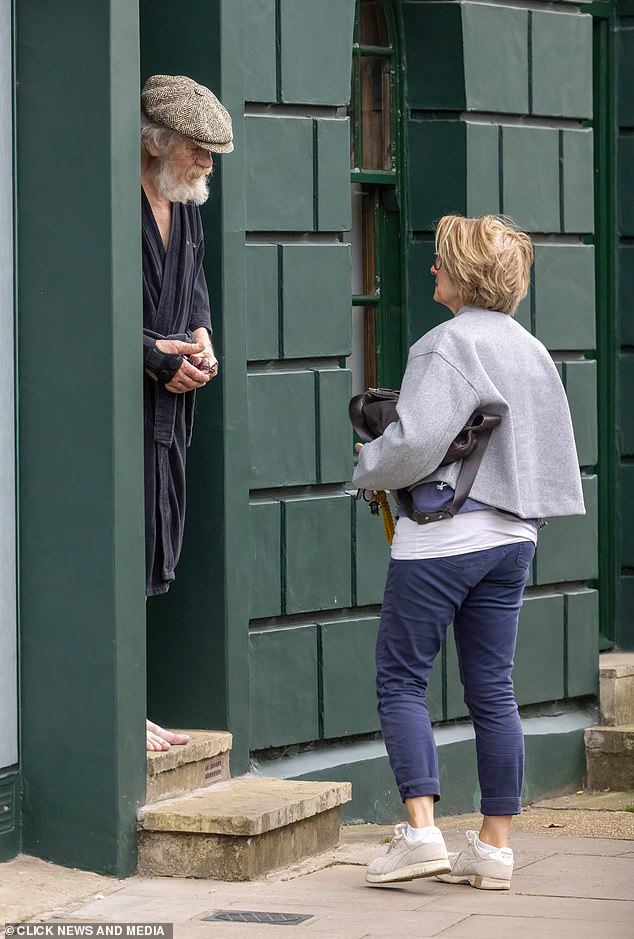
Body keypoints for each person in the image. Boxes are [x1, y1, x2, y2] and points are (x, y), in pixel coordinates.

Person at [353, 214, 584, 890]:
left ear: (464, 273)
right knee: (494, 689)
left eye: (440, 261)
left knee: (401, 680)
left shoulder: (444, 345)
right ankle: (493, 848)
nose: (432, 269)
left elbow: (415, 445)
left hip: (443, 537)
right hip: (513, 539)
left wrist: (368, 462)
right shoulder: (530, 348)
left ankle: (421, 831)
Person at [140, 75, 233, 751]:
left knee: (152, 545)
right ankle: (117, 709)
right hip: (116, 413)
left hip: (169, 417)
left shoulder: (186, 205)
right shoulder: (115, 198)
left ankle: (131, 705)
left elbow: (194, 293)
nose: (206, 164)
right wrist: (154, 356)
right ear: (158, 141)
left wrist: (201, 342)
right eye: (198, 150)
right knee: (118, 549)